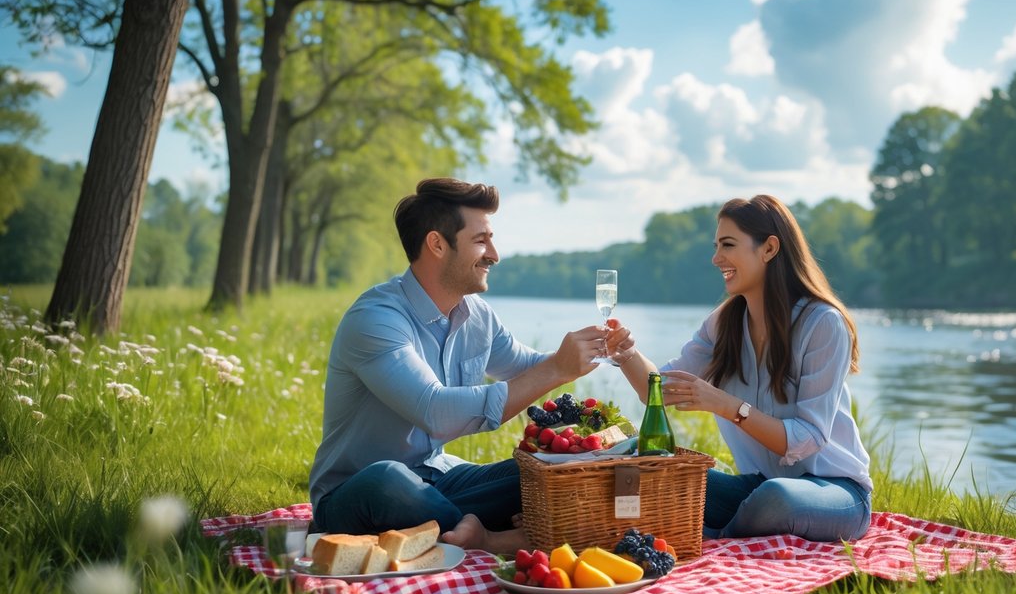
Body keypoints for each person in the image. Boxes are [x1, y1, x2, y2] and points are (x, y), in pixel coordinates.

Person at [309, 178, 603, 553]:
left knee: (540, 472)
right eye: (481, 240)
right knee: (388, 480)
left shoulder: (477, 316)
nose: (494, 254)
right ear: (436, 244)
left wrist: (584, 353)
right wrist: (557, 369)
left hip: (438, 478)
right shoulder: (376, 319)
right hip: (356, 494)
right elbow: (435, 411)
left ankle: (456, 530)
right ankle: (499, 538)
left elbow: (524, 366)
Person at [605, 194, 872, 542]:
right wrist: (626, 353)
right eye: (716, 246)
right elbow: (657, 391)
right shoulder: (723, 323)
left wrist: (725, 405)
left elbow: (806, 440)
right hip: (756, 487)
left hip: (837, 493)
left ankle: (702, 540)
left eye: (728, 245)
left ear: (769, 249)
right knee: (651, 473)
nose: (716, 258)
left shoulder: (822, 324)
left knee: (776, 499)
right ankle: (660, 530)